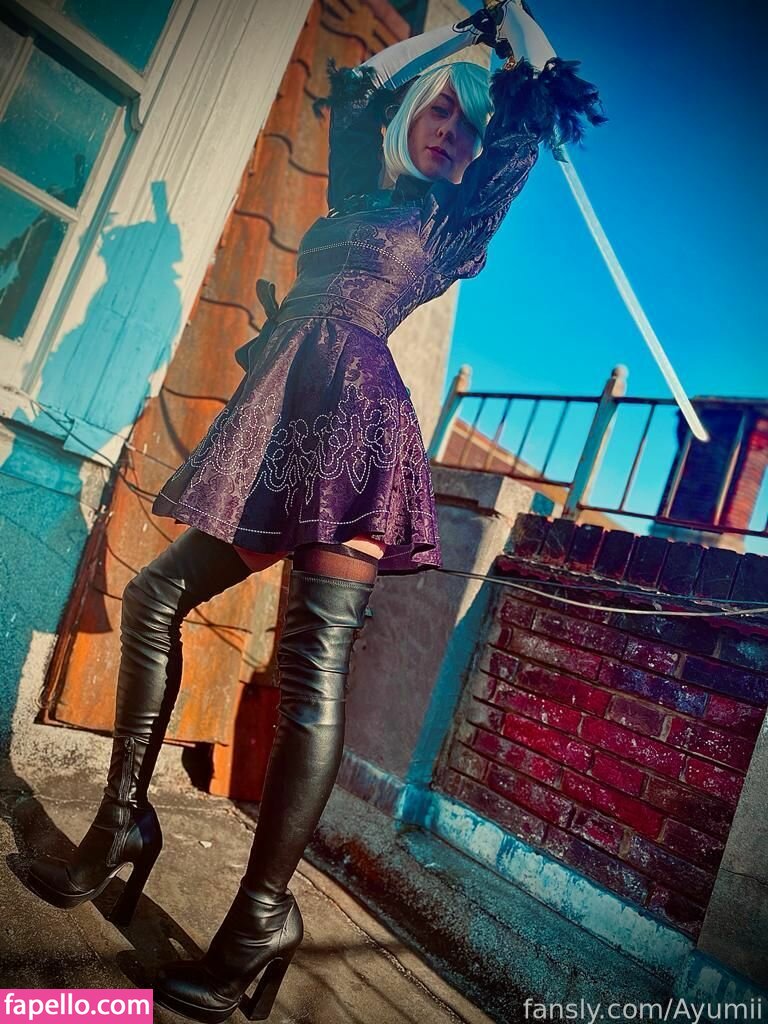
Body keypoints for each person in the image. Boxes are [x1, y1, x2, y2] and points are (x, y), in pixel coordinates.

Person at [26, 3, 604, 1021]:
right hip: (284, 411)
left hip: (357, 426)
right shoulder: (357, 195)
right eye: (440, 111)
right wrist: (452, 38)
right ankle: (121, 822)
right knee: (157, 597)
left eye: (469, 125)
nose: (450, 131)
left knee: (309, 668)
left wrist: (513, 38)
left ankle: (260, 915)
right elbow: (361, 86)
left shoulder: (451, 226)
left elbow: (531, 109)